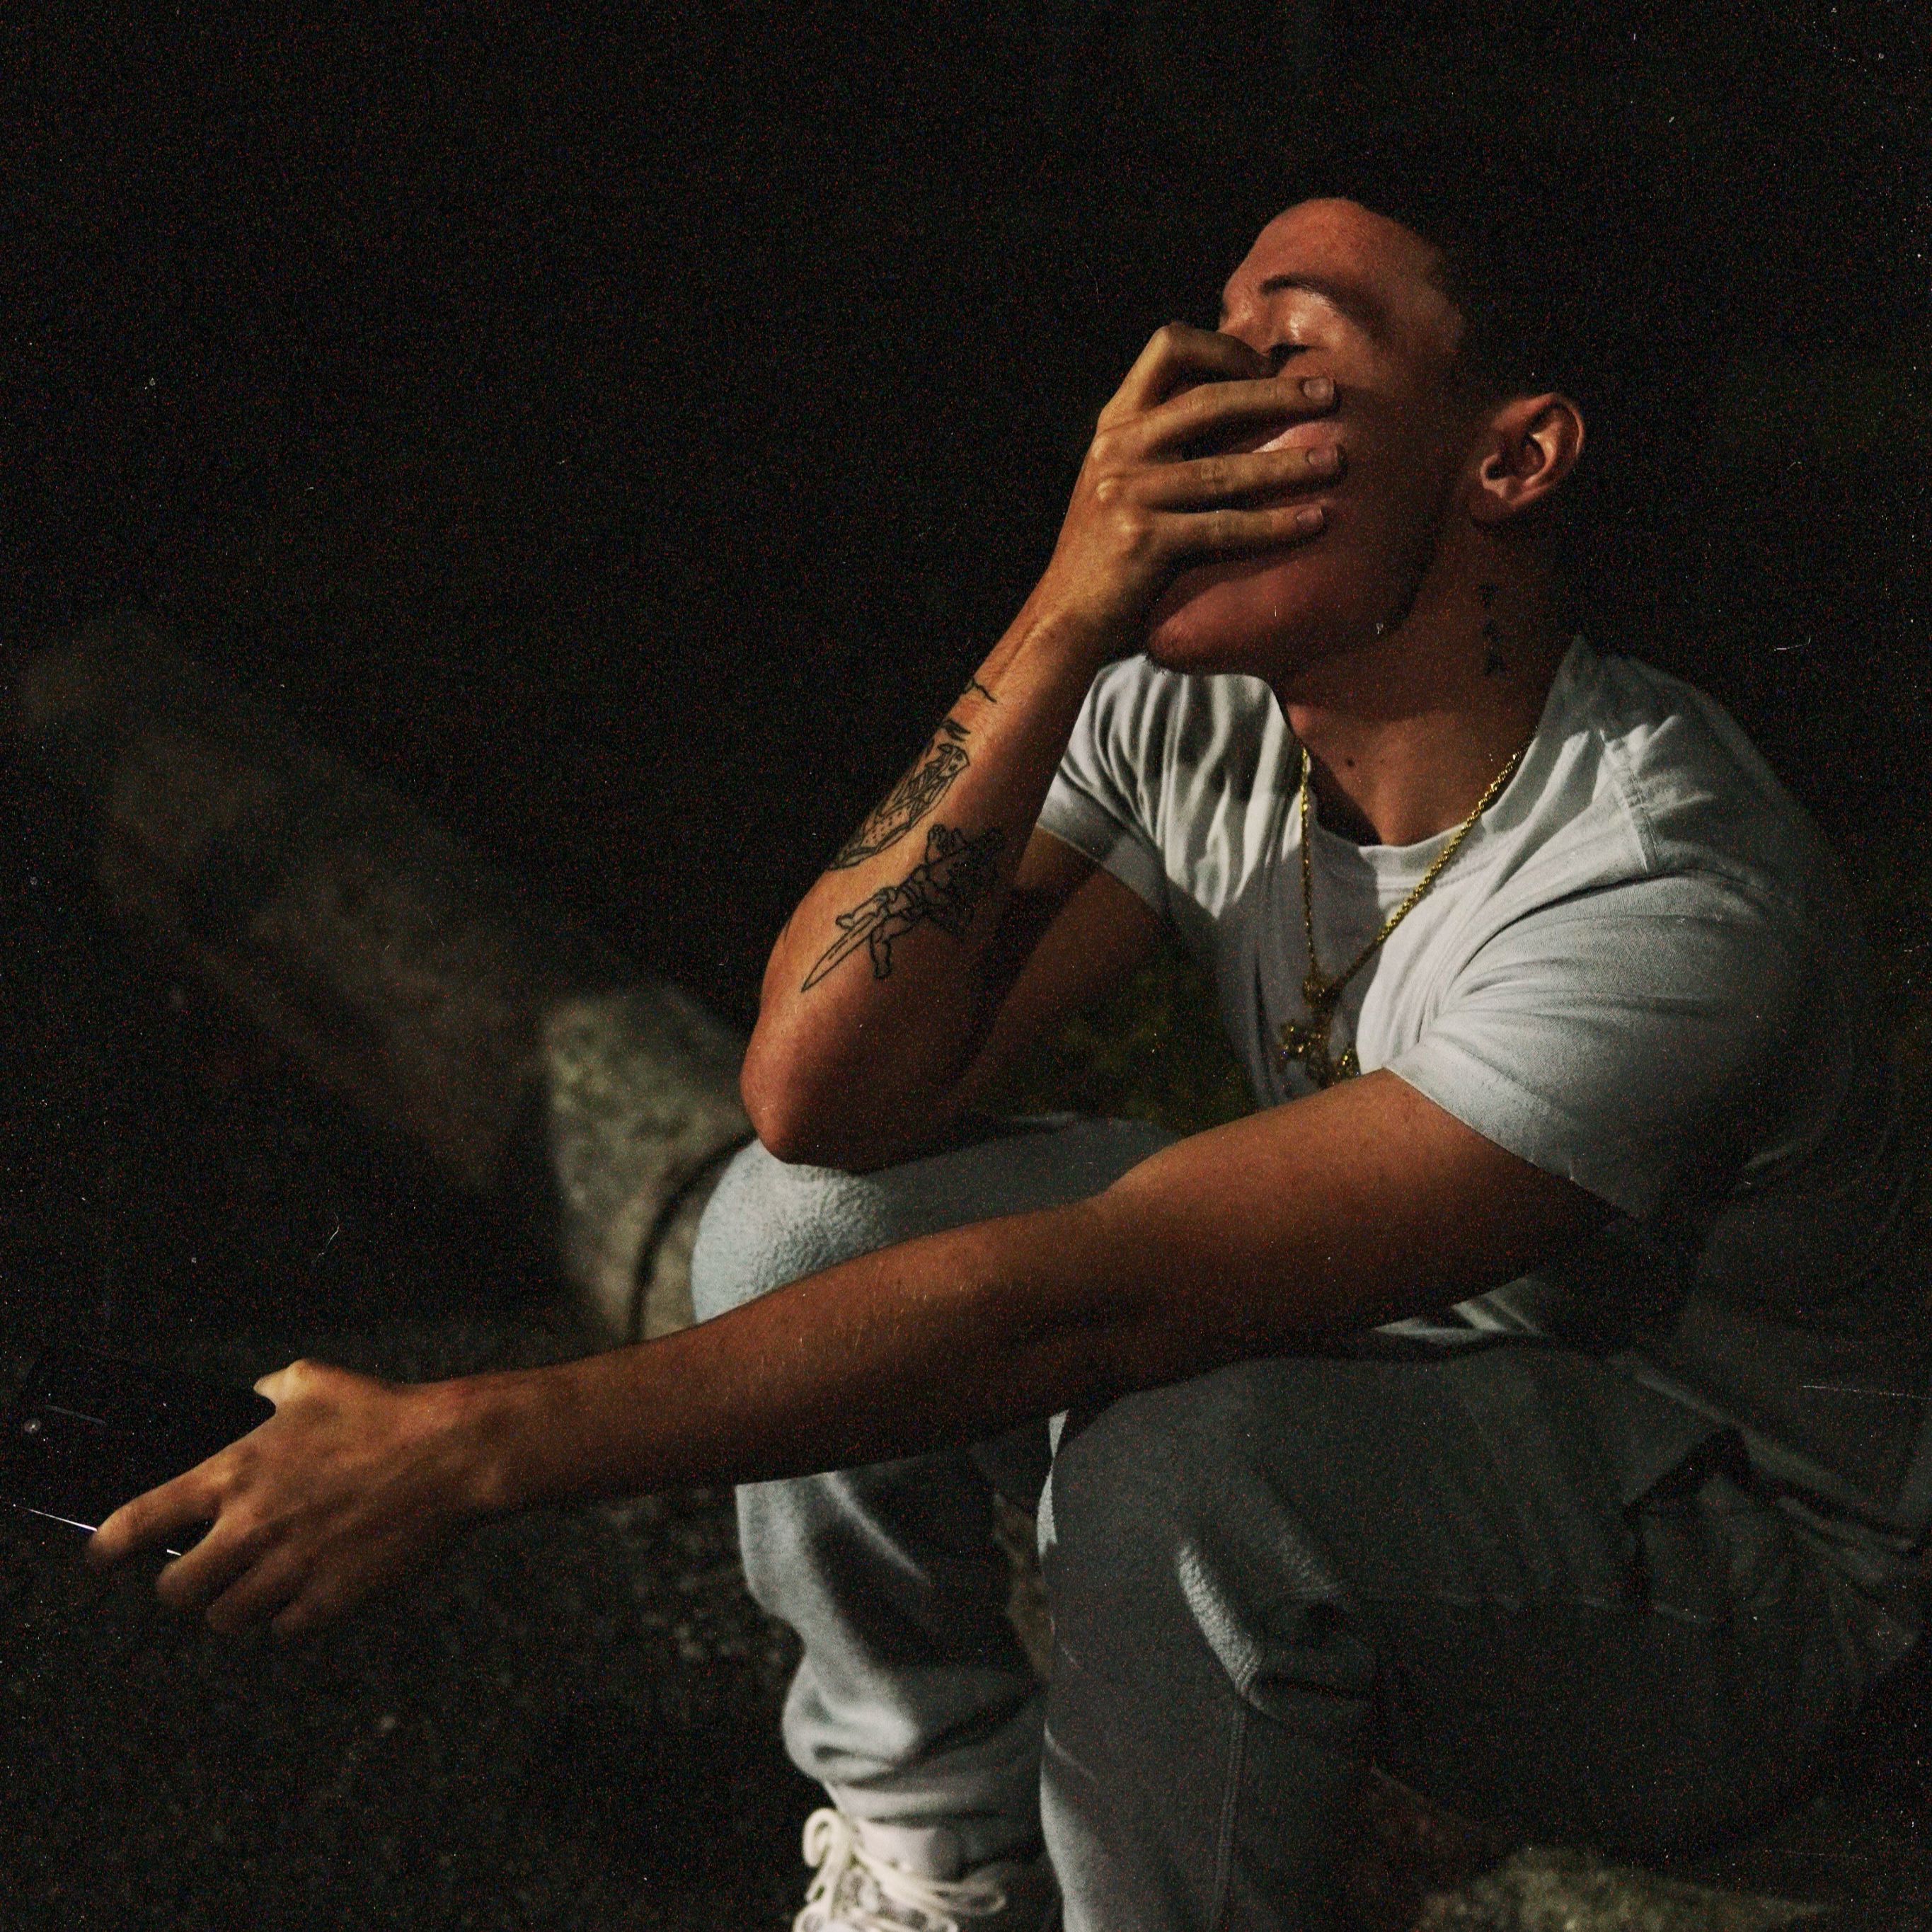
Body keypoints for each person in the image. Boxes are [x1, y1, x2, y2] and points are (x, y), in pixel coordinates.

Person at [86, 188, 1929, 1932]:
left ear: (1508, 459)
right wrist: (1062, 611)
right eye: (1201, 338)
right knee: (794, 1221)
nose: (1176, 405)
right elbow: (823, 1094)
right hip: (1412, 1402)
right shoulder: (1195, 719)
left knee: (1190, 1472)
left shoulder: (1659, 892)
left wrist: (465, 1447)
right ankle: (944, 1856)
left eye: (1289, 355)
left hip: (1742, 1588)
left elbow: (1096, 1306)